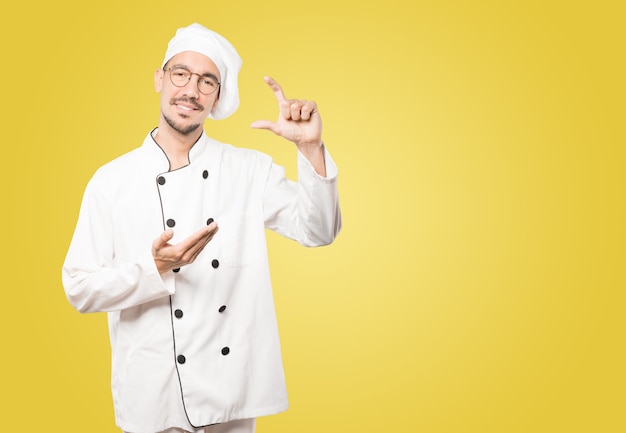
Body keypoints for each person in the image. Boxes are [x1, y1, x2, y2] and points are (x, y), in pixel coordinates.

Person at [62, 23, 341, 433]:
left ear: (217, 96)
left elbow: (318, 230)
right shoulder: (111, 181)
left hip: (229, 400)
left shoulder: (248, 171)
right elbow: (79, 288)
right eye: (180, 73)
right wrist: (150, 268)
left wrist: (310, 148)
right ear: (160, 78)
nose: (190, 90)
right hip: (151, 397)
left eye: (207, 81)